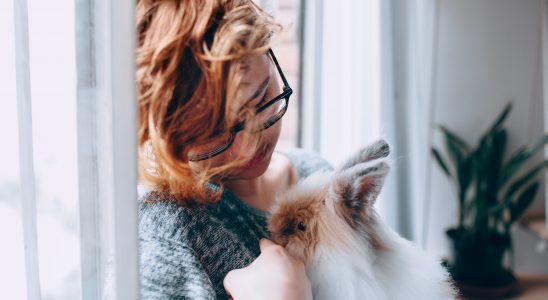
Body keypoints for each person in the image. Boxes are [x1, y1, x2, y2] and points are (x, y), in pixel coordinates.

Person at [134, 0, 331, 299]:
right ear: (165, 133)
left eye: (260, 98)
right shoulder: (163, 242)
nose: (248, 146)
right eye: (214, 131)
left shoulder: (318, 175)